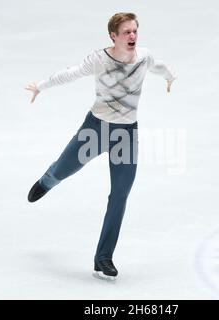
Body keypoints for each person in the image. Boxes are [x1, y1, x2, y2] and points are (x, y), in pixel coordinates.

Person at [25, 12, 176, 280]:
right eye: (126, 32)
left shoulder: (144, 57)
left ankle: (103, 257)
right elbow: (69, 74)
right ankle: (47, 180)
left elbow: (160, 66)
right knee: (63, 169)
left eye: (134, 31)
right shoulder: (99, 58)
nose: (132, 36)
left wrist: (170, 77)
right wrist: (42, 86)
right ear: (113, 36)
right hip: (96, 130)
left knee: (119, 196)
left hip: (127, 135)